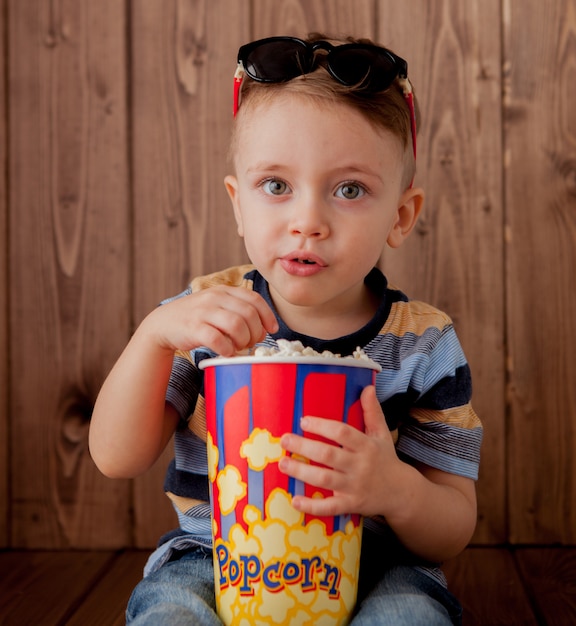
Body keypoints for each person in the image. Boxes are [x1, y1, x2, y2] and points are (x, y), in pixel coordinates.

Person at [90, 33, 482, 626]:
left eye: (349, 190)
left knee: (411, 615)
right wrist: (151, 336)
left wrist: (395, 490)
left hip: (375, 563)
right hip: (217, 557)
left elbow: (452, 526)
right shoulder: (203, 316)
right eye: (276, 186)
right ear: (238, 204)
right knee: (170, 611)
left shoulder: (423, 343)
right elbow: (117, 457)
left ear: (400, 217)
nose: (307, 222)